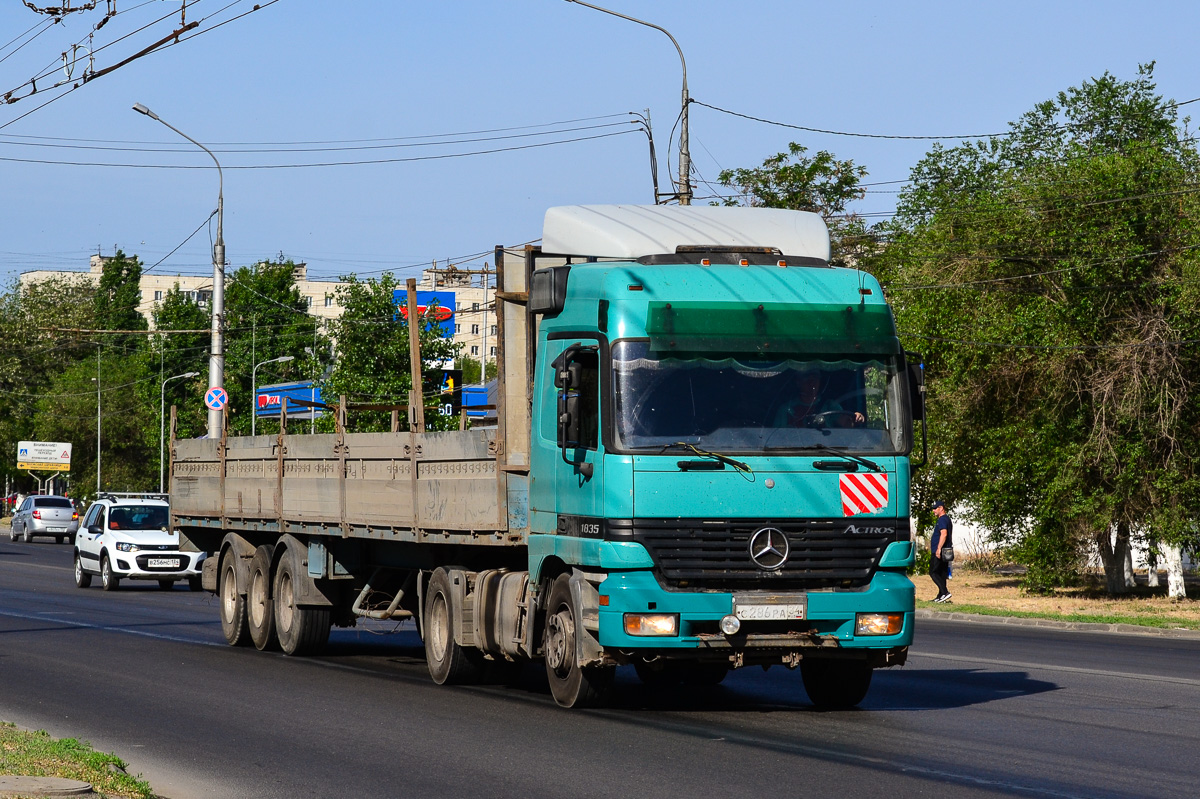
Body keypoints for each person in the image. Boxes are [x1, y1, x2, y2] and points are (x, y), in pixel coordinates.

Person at [774, 370, 865, 428]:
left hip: (827, 452)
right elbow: (777, 438)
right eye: (807, 379)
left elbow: (846, 424)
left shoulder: (829, 405)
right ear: (798, 382)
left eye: (815, 378)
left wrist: (856, 418)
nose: (812, 383)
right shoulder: (786, 409)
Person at [930, 499, 953, 603]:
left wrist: (938, 549)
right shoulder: (946, 519)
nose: (934, 511)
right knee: (942, 573)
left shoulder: (942, 520)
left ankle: (944, 592)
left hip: (940, 550)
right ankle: (941, 596)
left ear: (941, 508)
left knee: (933, 572)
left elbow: (944, 534)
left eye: (935, 508)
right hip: (946, 551)